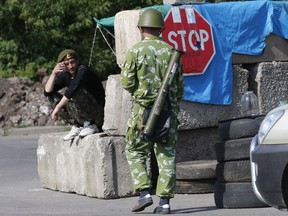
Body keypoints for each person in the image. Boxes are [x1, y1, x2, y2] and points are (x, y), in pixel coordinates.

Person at [120, 8, 184, 214]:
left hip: (142, 112)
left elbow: (127, 82)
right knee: (166, 155)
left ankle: (144, 194)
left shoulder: (135, 51)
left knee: (135, 150)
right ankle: (164, 203)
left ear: (141, 28)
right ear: (161, 29)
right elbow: (179, 87)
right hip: (168, 112)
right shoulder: (172, 52)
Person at [44, 49, 105, 141]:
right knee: (52, 97)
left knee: (76, 90)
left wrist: (58, 107)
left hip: (98, 114)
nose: (71, 66)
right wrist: (54, 73)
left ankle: (92, 125)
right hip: (84, 116)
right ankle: (78, 125)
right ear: (62, 65)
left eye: (73, 62)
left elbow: (72, 89)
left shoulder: (83, 70)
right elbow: (47, 92)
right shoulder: (65, 74)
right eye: (67, 64)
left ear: (78, 61)